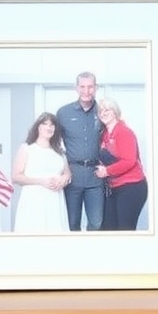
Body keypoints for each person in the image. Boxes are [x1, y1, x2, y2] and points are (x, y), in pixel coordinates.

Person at [55, 72, 105, 231]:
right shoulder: (63, 113)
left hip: (96, 176)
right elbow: (54, 143)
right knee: (72, 223)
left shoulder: (103, 111)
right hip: (72, 176)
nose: (86, 91)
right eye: (82, 86)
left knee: (96, 223)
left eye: (90, 87)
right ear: (76, 88)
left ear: (95, 88)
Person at [95, 97, 148, 232]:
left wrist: (106, 171)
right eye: (101, 110)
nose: (104, 113)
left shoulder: (124, 132)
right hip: (114, 188)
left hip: (131, 187)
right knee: (108, 229)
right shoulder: (104, 134)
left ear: (115, 112)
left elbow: (129, 161)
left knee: (125, 230)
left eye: (108, 110)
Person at [11, 113, 70, 233]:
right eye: (45, 124)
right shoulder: (27, 149)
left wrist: (63, 180)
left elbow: (67, 173)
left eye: (52, 125)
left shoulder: (59, 152)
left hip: (55, 201)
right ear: (38, 127)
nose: (49, 128)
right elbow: (16, 176)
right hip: (34, 200)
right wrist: (41, 181)